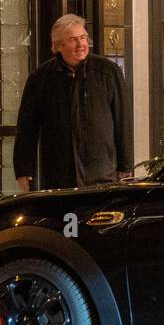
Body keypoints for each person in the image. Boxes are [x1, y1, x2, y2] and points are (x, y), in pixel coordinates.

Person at [14, 14, 132, 192]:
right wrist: (23, 169)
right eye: (73, 40)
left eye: (83, 38)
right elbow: (27, 127)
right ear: (59, 45)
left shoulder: (108, 72)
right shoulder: (41, 78)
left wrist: (126, 164)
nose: (81, 44)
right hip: (58, 177)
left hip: (101, 176)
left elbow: (123, 121)